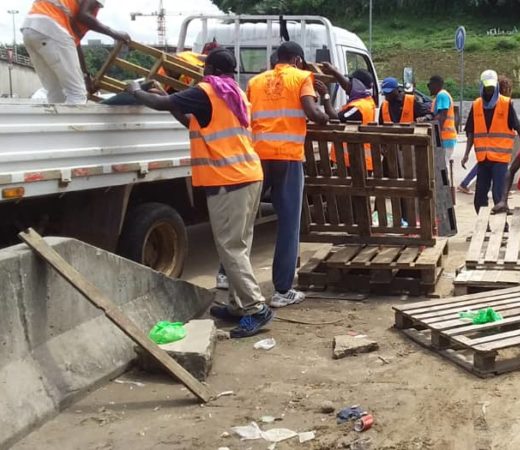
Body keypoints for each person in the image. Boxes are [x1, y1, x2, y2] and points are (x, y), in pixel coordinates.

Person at [125, 48, 271, 338]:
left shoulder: (207, 91)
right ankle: (238, 305)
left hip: (230, 180)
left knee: (231, 249)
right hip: (247, 176)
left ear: (211, 69)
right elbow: (194, 122)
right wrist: (167, 100)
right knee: (236, 245)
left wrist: (136, 91)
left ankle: (255, 308)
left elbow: (161, 102)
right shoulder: (235, 94)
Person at [248, 41, 329, 308]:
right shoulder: (302, 77)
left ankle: (227, 275)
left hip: (259, 154)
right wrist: (324, 104)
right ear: (296, 60)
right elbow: (314, 114)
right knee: (289, 223)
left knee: (245, 219)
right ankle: (282, 290)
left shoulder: (256, 81)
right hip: (288, 156)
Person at [22, 0, 130, 104]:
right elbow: (84, 16)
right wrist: (115, 33)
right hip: (53, 26)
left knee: (55, 92)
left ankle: (59, 122)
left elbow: (74, 44)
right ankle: (73, 123)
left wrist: (85, 76)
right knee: (77, 94)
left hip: (30, 28)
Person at [461, 70, 520, 213]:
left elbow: (518, 128)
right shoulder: (476, 105)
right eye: (487, 87)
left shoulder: (506, 104)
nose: (489, 91)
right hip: (483, 159)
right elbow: (471, 132)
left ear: (496, 86)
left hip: (500, 159)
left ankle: (502, 226)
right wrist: (466, 154)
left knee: (498, 195)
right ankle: (484, 226)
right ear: (481, 87)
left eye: (492, 87)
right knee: (479, 198)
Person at [458, 75, 513, 195]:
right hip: (491, 149)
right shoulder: (497, 104)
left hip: (489, 149)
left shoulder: (495, 104)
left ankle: (466, 183)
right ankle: (467, 184)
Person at [318, 64, 377, 171]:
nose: (348, 84)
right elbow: (347, 87)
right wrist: (335, 72)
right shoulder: (367, 100)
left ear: (358, 86)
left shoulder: (358, 107)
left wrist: (325, 95)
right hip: (354, 160)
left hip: (354, 163)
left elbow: (335, 118)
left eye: (351, 82)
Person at [426, 75, 458, 163]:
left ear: (436, 85)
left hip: (444, 138)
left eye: (429, 85)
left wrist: (435, 136)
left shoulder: (442, 95)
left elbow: (442, 116)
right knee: (440, 166)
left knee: (442, 167)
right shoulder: (438, 97)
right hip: (444, 138)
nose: (429, 88)